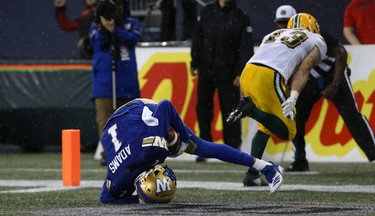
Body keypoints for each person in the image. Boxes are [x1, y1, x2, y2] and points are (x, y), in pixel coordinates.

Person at [99, 98, 283, 204]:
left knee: (197, 146)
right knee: (198, 147)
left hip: (135, 111)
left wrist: (183, 137)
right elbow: (105, 198)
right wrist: (141, 200)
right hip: (116, 135)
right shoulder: (119, 180)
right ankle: (266, 166)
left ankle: (265, 167)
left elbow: (164, 105)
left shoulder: (151, 150)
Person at [226, 13, 327, 185]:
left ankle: (252, 175)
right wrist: (294, 96)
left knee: (266, 127)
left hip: (248, 73)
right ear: (313, 28)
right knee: (289, 131)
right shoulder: (316, 39)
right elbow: (304, 69)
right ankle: (250, 110)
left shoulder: (274, 34)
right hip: (269, 75)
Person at [190, 0, 254, 162]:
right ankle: (204, 147)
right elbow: (197, 36)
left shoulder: (241, 16)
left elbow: (245, 46)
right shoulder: (206, 11)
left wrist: (241, 72)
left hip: (229, 72)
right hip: (206, 68)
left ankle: (232, 149)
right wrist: (194, 61)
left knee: (231, 110)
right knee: (203, 108)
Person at [90, 0, 141, 165]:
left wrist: (115, 29)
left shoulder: (132, 23)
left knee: (129, 119)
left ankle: (128, 153)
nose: (115, 11)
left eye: (118, 5)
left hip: (127, 81)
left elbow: (134, 38)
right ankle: (109, 153)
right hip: (104, 82)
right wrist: (105, 28)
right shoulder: (95, 27)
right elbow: (98, 42)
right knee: (104, 119)